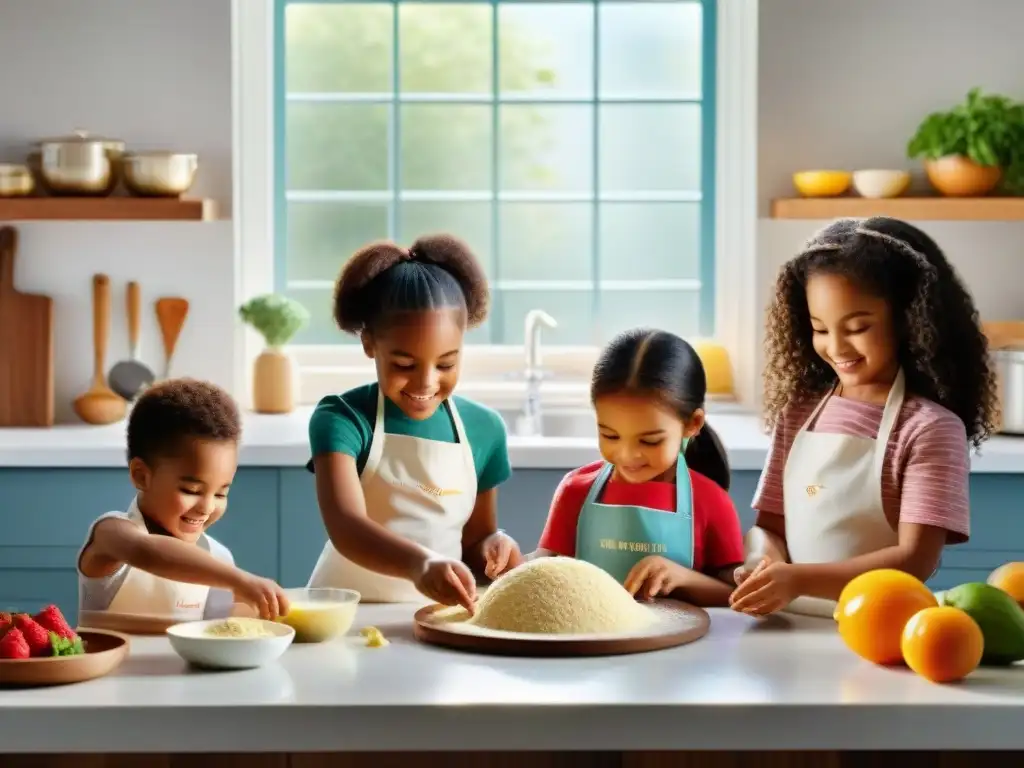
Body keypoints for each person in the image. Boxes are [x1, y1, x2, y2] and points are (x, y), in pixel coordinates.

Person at [730, 217, 997, 618]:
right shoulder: (800, 412)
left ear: (909, 319)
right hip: (787, 624)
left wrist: (799, 579)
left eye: (857, 327)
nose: (836, 345)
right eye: (819, 328)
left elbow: (914, 560)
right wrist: (763, 563)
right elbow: (770, 527)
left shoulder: (929, 428)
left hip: (880, 629)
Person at [306, 234, 522, 611]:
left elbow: (476, 540)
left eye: (446, 364)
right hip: (347, 614)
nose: (426, 383)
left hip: (438, 615)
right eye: (404, 365)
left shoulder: (484, 429)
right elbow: (346, 527)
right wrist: (421, 565)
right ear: (370, 343)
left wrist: (495, 547)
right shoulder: (342, 419)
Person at [529, 328, 744, 606]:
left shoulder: (711, 501)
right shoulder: (575, 491)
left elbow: (735, 595)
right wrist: (507, 561)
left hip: (682, 647)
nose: (627, 455)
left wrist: (683, 577)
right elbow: (542, 566)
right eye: (610, 436)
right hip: (589, 642)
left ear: (692, 424)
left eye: (649, 440)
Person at [77, 379, 291, 633]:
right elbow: (147, 552)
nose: (207, 507)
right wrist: (240, 580)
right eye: (191, 491)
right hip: (112, 673)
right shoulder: (110, 535)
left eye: (221, 494)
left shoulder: (219, 560)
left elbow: (217, 630)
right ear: (141, 476)